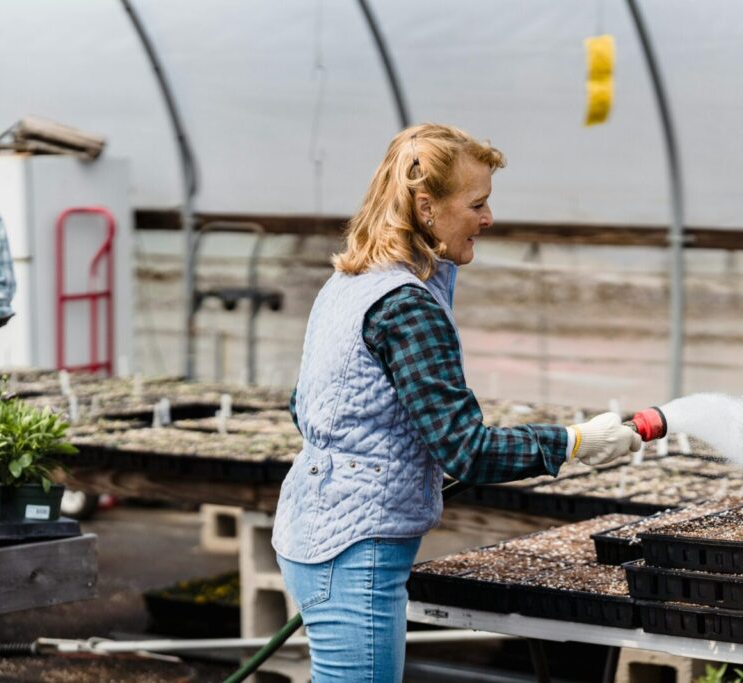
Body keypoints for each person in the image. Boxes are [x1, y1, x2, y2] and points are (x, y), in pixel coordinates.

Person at [272, 123, 641, 682]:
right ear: (426, 206)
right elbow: (467, 450)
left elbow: (307, 406)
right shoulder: (406, 306)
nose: (488, 219)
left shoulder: (349, 283)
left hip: (312, 528)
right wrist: (576, 442)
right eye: (478, 203)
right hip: (356, 550)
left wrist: (395, 450)